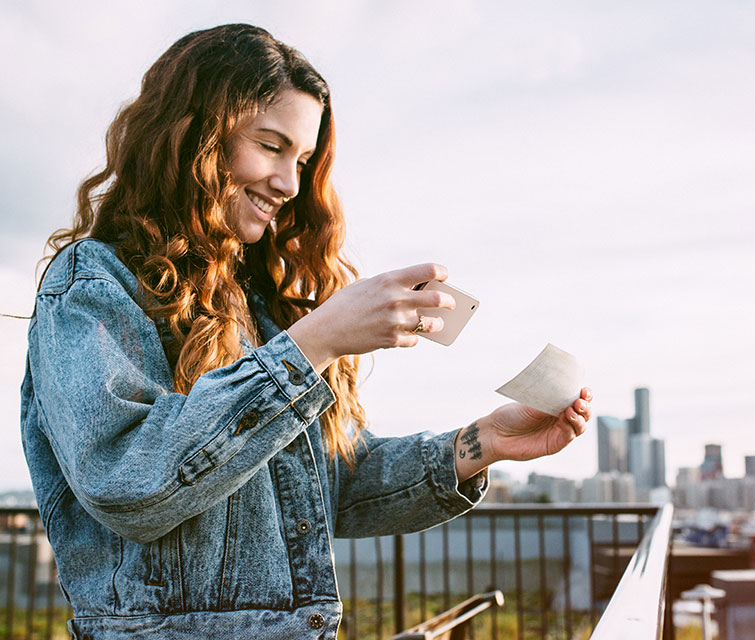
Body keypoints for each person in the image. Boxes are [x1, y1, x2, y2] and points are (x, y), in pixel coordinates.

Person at [20, 23, 592, 639]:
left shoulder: (255, 304)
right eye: (270, 146)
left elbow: (332, 482)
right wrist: (314, 343)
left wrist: (480, 444)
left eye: (301, 159)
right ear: (193, 136)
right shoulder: (91, 285)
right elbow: (126, 481)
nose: (290, 183)